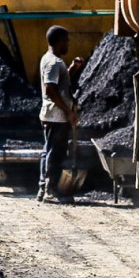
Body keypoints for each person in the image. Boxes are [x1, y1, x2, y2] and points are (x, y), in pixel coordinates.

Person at [38, 25, 87, 204]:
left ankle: (43, 188)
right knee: (54, 154)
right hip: (56, 116)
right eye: (66, 41)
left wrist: (73, 68)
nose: (68, 44)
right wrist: (67, 111)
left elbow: (60, 85)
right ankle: (49, 191)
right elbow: (50, 89)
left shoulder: (51, 60)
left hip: (54, 115)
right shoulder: (53, 63)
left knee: (48, 152)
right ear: (59, 42)